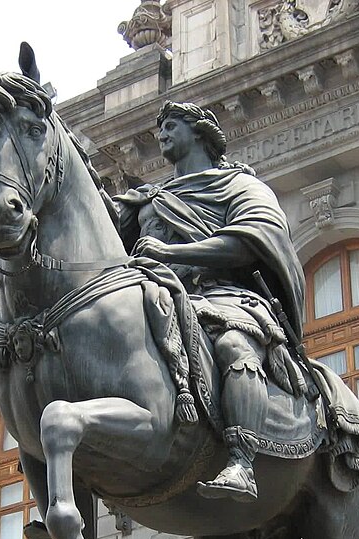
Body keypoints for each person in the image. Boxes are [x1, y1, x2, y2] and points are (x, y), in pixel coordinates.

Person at [116, 101, 308, 502]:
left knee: (232, 345)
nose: (162, 135)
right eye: (160, 128)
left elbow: (250, 241)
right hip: (160, 295)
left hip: (226, 296)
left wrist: (173, 255)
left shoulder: (241, 187)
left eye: (170, 126)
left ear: (198, 132)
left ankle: (241, 461)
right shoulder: (149, 200)